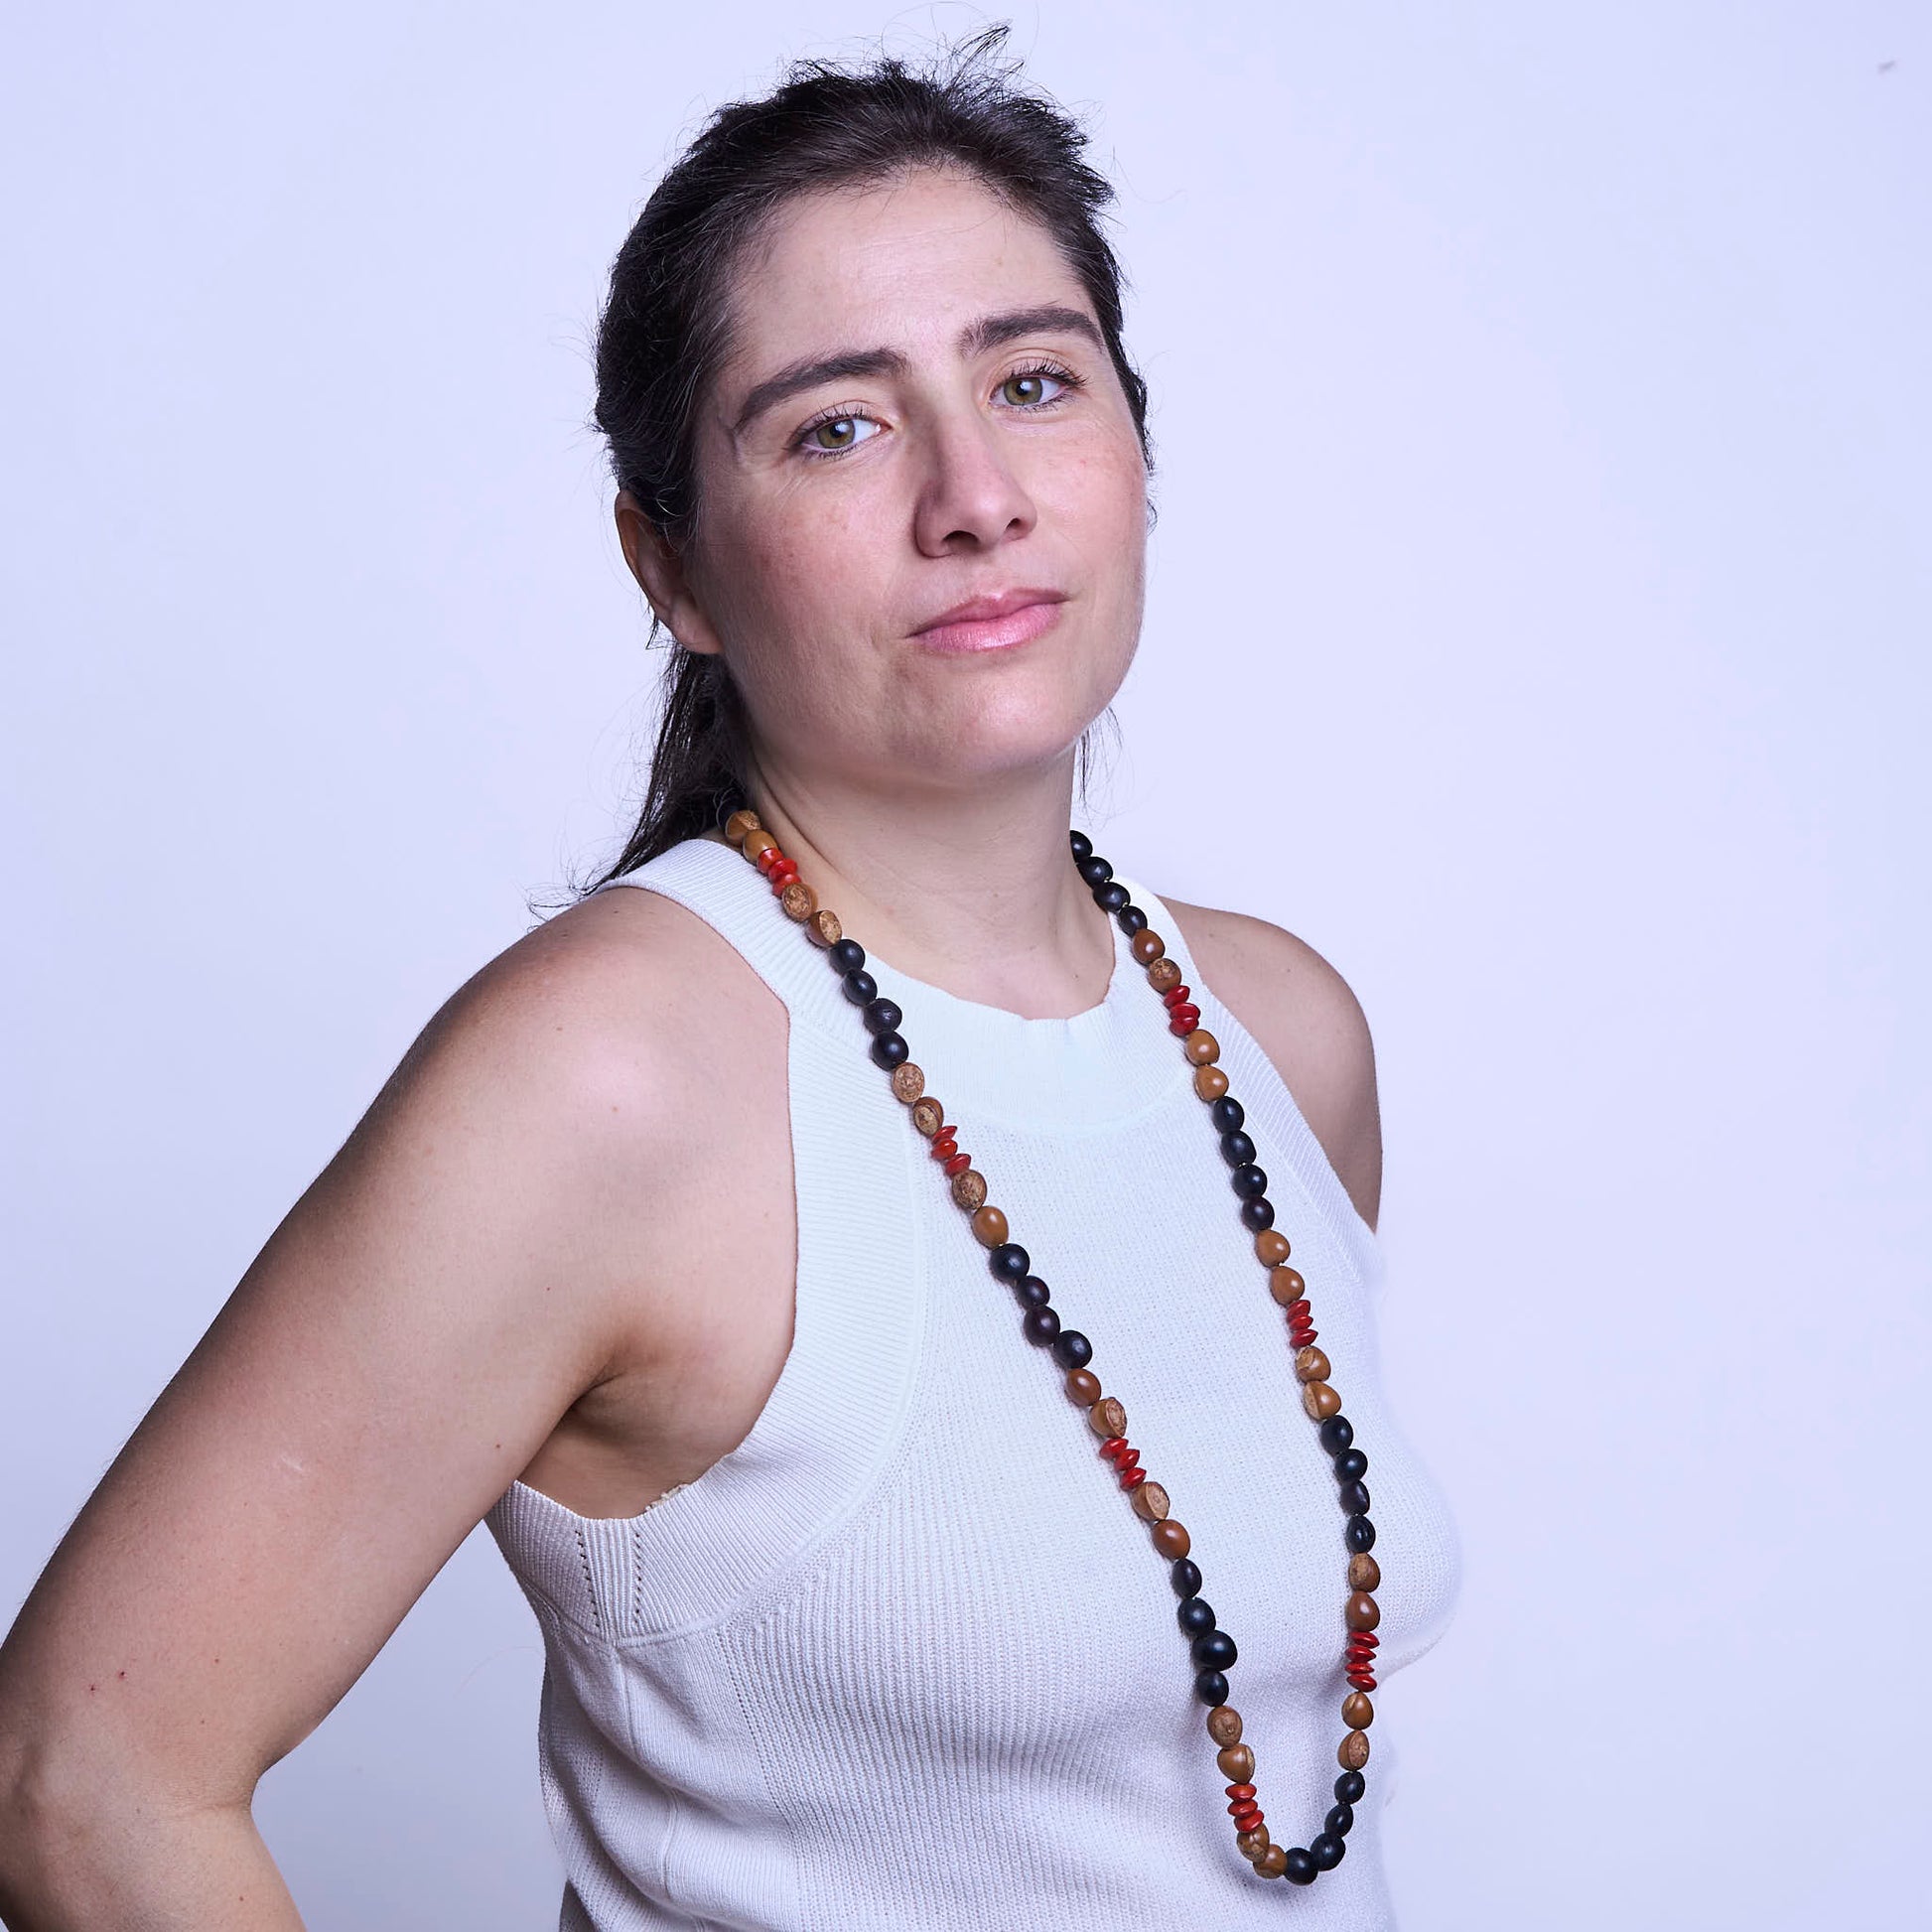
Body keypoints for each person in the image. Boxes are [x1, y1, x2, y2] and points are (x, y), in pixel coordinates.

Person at [0, 24, 1460, 1929]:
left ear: (1135, 447)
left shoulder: (1278, 1031)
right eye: (836, 426)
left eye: (1032, 381)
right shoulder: (607, 1076)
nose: (974, 494)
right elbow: (85, 1773)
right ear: (671, 569)